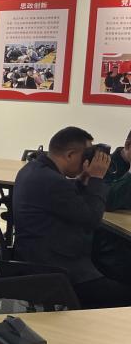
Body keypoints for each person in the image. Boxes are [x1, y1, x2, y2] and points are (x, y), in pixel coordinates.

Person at [11, 126, 131, 308]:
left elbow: (70, 201)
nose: (87, 160)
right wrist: (97, 178)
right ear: (70, 155)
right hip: (59, 272)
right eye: (86, 155)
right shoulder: (53, 181)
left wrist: (83, 180)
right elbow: (92, 219)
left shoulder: (34, 169)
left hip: (37, 261)